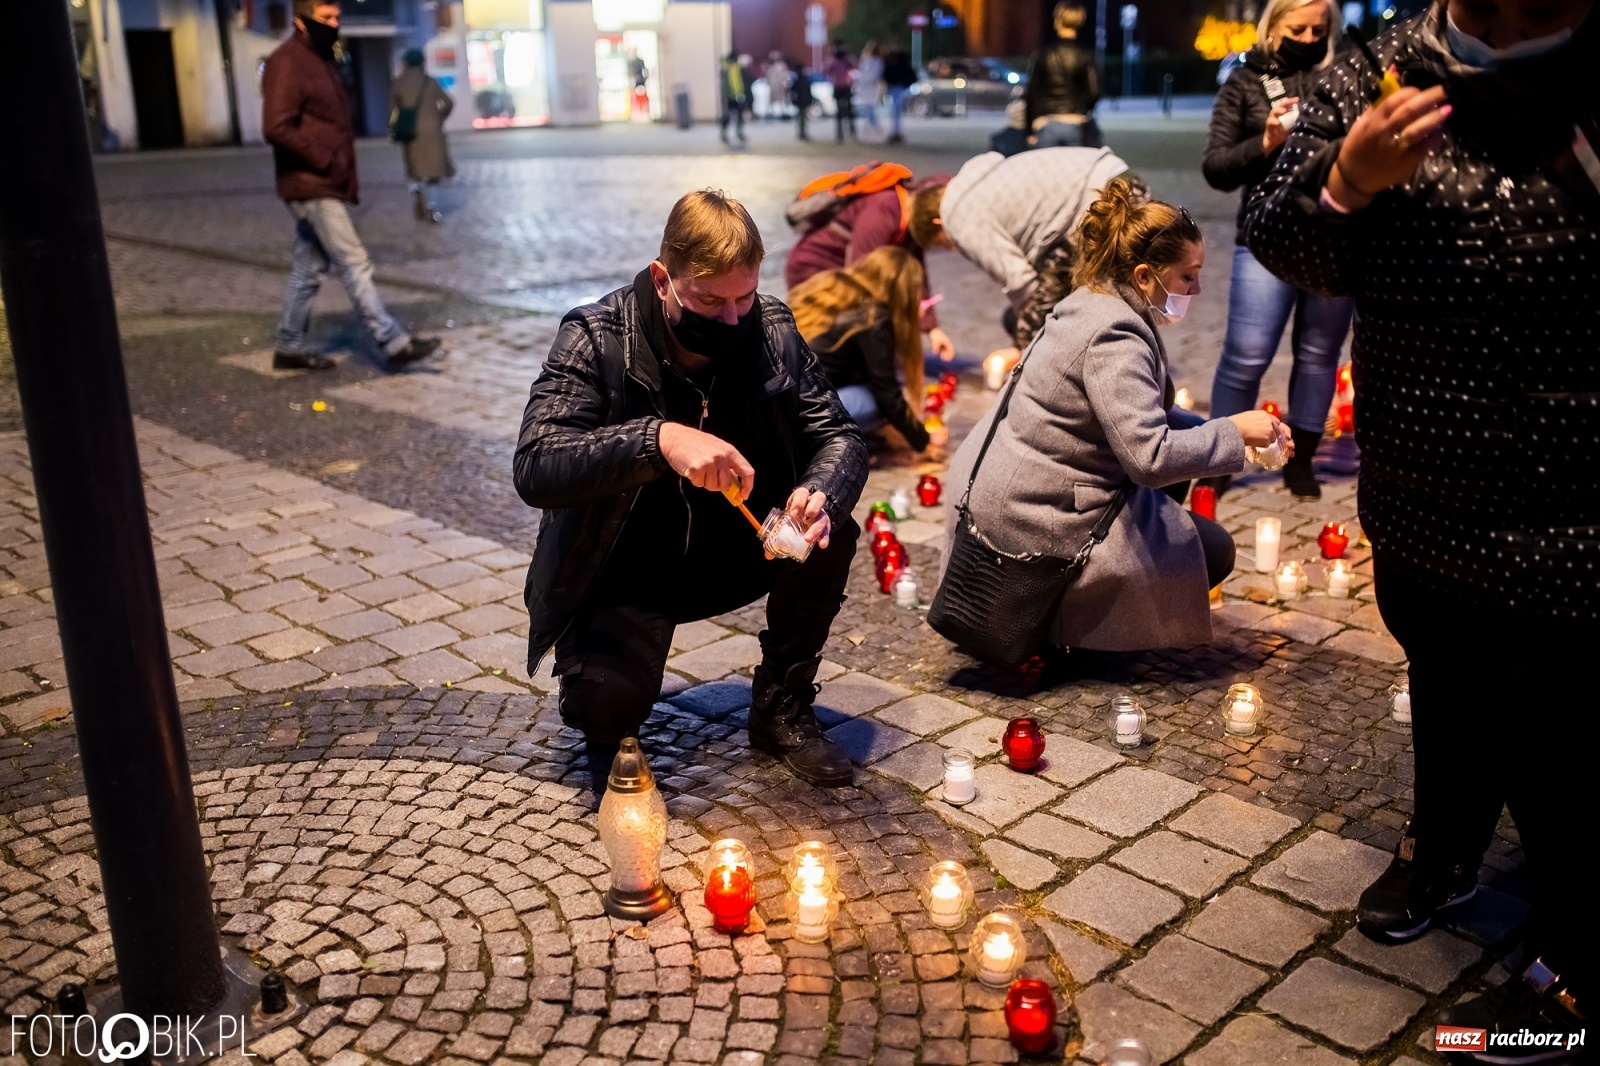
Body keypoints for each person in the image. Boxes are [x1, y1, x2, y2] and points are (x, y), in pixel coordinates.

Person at [1244, 0, 1596, 1051]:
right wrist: (1347, 185)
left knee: (1566, 729)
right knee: (1446, 683)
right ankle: (1441, 854)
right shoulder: (1376, 67)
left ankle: (1576, 967)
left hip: (1575, 505)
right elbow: (1275, 235)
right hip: (1421, 487)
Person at [513, 190, 869, 794]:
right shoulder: (596, 335)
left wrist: (820, 492)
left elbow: (839, 434)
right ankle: (596, 671)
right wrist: (659, 440)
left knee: (827, 536)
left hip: (735, 543)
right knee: (606, 713)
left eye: (743, 297)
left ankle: (780, 705)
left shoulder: (771, 327)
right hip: (624, 559)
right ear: (662, 278)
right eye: (708, 299)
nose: (731, 319)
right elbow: (537, 464)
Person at [940, 178, 1289, 652]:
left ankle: (1083, 610)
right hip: (1031, 515)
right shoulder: (1115, 337)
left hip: (1008, 485)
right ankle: (1066, 624)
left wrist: (1231, 434)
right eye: (1188, 275)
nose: (1198, 287)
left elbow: (1141, 415)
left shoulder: (1091, 299)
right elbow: (1148, 459)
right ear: (1145, 276)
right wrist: (1230, 431)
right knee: (1213, 548)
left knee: (1180, 490)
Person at [1202, 0, 1352, 500]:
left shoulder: (1347, 71)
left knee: (1318, 354)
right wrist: (1265, 142)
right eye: (1298, 28)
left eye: (1319, 29)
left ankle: (1301, 459)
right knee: (1245, 355)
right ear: (1274, 24)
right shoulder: (1246, 79)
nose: (1310, 38)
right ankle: (1219, 461)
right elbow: (1217, 167)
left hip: (1335, 236)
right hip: (1265, 237)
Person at [262, 0, 440, 372]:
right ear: (301, 21)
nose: (335, 23)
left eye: (337, 16)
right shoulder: (288, 61)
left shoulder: (320, 58)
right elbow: (276, 126)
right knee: (353, 260)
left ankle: (288, 344)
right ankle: (391, 341)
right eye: (326, 18)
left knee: (308, 267)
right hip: (311, 182)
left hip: (322, 179)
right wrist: (325, 159)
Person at [932, 145, 1133, 356]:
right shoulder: (973, 183)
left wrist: (1021, 347)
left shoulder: (958, 220)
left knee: (1039, 319)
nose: (950, 249)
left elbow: (1022, 284)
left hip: (1100, 197)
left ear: (937, 223)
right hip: (1111, 176)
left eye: (941, 244)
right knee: (1051, 310)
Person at [784, 174, 956, 361]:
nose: (948, 248)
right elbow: (862, 278)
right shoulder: (884, 209)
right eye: (946, 242)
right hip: (813, 266)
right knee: (824, 339)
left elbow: (914, 272)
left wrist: (932, 330)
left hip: (841, 270)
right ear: (935, 222)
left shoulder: (909, 215)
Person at [790, 247, 932, 453]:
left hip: (782, 400)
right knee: (878, 401)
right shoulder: (874, 317)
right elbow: (887, 395)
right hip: (803, 416)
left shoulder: (833, 286)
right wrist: (923, 443)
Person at [390, 48, 454, 225]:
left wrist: (395, 127)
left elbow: (392, 111)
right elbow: (448, 102)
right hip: (432, 133)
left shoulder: (398, 83)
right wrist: (439, 118)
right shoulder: (430, 82)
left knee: (415, 171)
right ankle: (432, 208)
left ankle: (416, 189)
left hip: (410, 133)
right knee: (433, 174)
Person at [1025, 3, 1102, 148]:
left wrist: (1029, 130)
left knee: (1048, 169)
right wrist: (1083, 109)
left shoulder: (1044, 54)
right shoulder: (1085, 55)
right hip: (1075, 121)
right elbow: (1095, 91)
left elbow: (1032, 93)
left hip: (1045, 121)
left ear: (1057, 21)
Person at [883, 47, 917, 144]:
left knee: (895, 110)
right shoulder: (897, 63)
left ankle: (896, 131)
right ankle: (896, 131)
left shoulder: (896, 63)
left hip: (898, 87)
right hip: (897, 87)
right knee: (895, 110)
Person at [827, 42, 856, 142]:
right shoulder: (834, 61)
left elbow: (853, 65)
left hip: (844, 87)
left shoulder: (845, 60)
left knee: (848, 110)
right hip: (840, 87)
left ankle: (851, 131)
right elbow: (827, 70)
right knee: (840, 111)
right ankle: (841, 134)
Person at [854, 41, 884, 132]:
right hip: (865, 86)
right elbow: (862, 71)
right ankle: (872, 125)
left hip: (871, 86)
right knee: (868, 106)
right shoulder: (866, 60)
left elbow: (875, 74)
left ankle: (871, 125)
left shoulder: (877, 61)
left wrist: (864, 80)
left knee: (870, 106)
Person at [719, 51, 746, 145]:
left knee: (736, 116)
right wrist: (737, 94)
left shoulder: (729, 68)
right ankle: (727, 134)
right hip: (732, 96)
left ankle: (734, 133)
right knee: (731, 116)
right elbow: (734, 83)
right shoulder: (731, 68)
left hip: (734, 95)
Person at [764, 52, 790, 119]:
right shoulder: (771, 67)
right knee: (775, 101)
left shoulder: (781, 66)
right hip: (774, 87)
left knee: (781, 100)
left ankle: (782, 114)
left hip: (779, 87)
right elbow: (769, 78)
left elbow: (784, 77)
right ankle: (776, 114)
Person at [791, 65, 814, 140]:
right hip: (804, 101)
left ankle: (802, 133)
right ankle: (803, 133)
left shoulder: (797, 79)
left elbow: (793, 90)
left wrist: (794, 101)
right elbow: (809, 91)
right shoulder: (805, 79)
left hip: (800, 101)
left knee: (801, 118)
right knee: (803, 118)